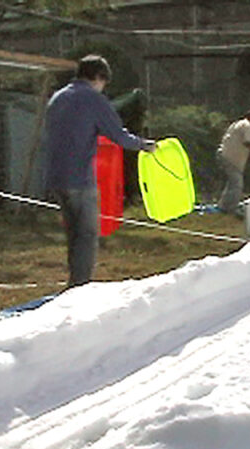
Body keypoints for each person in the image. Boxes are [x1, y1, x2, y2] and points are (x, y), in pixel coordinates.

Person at [45, 54, 156, 288]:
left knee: (73, 233)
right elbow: (118, 135)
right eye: (103, 82)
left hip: (56, 176)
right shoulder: (92, 99)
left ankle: (73, 282)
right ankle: (80, 287)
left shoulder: (57, 98)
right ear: (98, 77)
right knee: (86, 235)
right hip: (80, 177)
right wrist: (145, 145)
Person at [216, 108, 250, 215]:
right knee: (237, 183)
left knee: (232, 183)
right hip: (230, 158)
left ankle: (223, 206)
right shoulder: (247, 126)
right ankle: (231, 208)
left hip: (224, 154)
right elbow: (247, 143)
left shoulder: (237, 124)